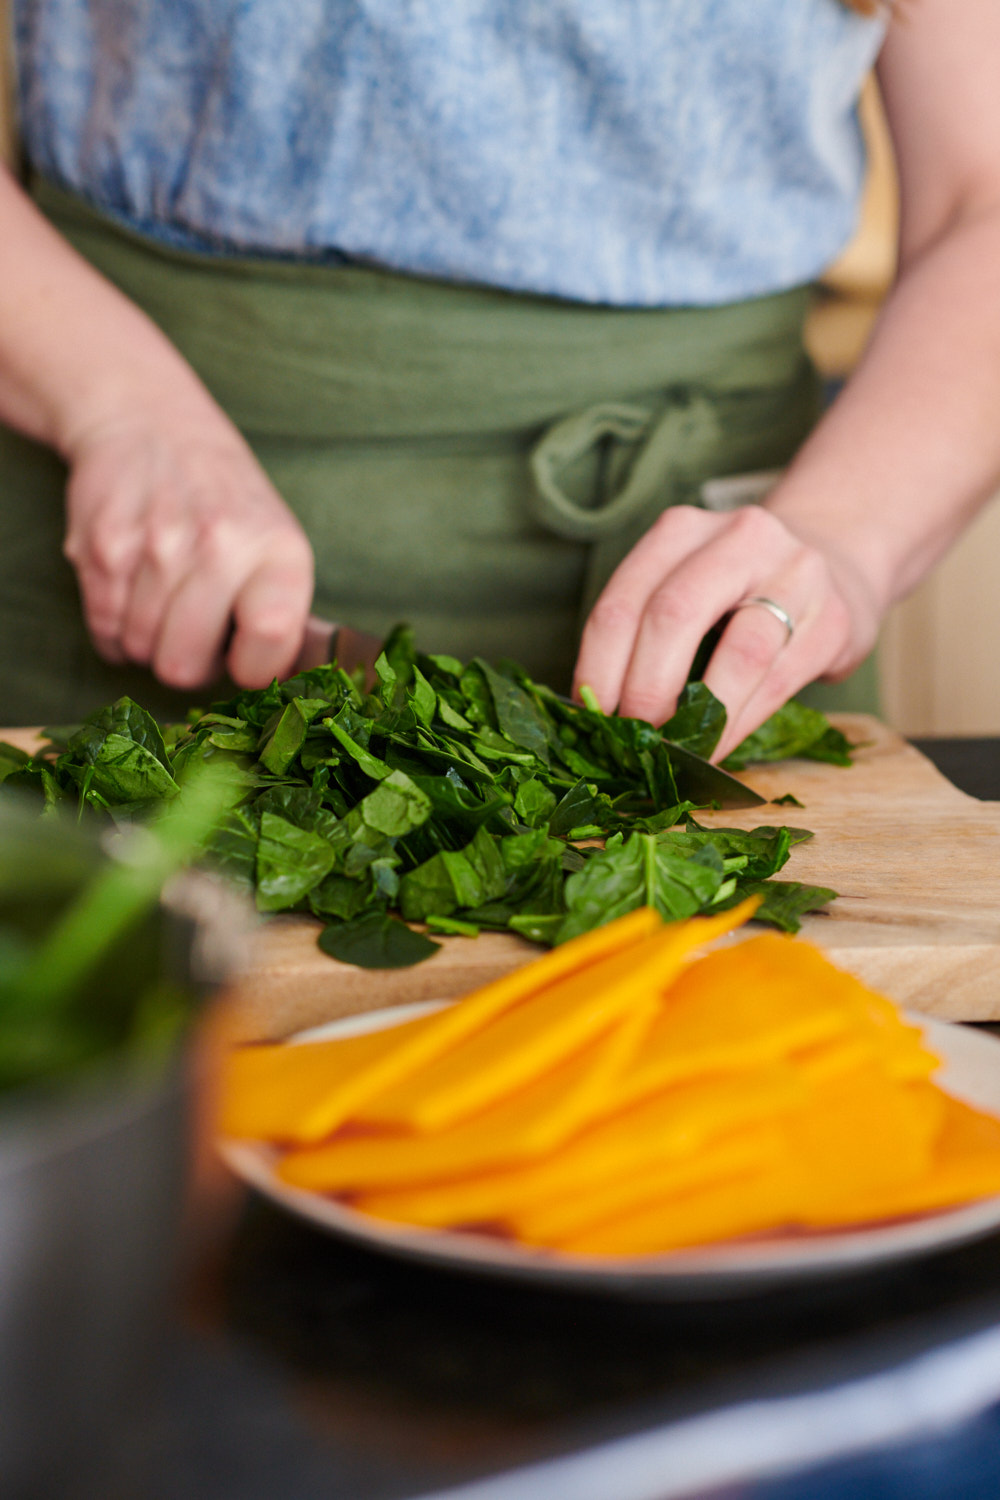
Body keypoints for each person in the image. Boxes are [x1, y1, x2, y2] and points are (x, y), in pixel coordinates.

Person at [1, 1, 998, 762]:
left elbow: (979, 202)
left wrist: (843, 539)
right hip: (118, 541)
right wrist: (116, 407)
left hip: (730, 609)